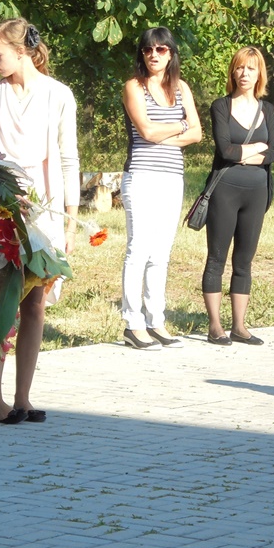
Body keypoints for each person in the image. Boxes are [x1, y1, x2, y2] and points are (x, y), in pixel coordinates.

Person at [0, 18, 79, 424]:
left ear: (22, 52)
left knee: (35, 304)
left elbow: (68, 158)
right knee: (2, 301)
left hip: (45, 210)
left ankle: (23, 397)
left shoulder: (58, 94)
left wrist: (70, 220)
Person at [120, 27, 202, 350]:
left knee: (161, 252)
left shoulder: (181, 88)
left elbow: (197, 133)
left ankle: (156, 321)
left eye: (161, 49)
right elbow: (147, 132)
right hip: (141, 176)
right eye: (148, 49)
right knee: (138, 249)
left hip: (171, 177)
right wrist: (179, 126)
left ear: (171, 54)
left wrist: (164, 133)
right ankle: (133, 323)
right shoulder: (134, 87)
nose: (154, 55)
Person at [202, 47, 274, 346]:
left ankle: (239, 326)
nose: (244, 73)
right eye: (239, 68)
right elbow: (225, 150)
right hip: (225, 190)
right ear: (232, 72)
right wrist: (257, 148)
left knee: (244, 260)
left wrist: (247, 154)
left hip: (257, 192)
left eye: (251, 68)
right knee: (217, 258)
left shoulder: (267, 109)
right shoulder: (221, 106)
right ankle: (215, 326)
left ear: (260, 73)